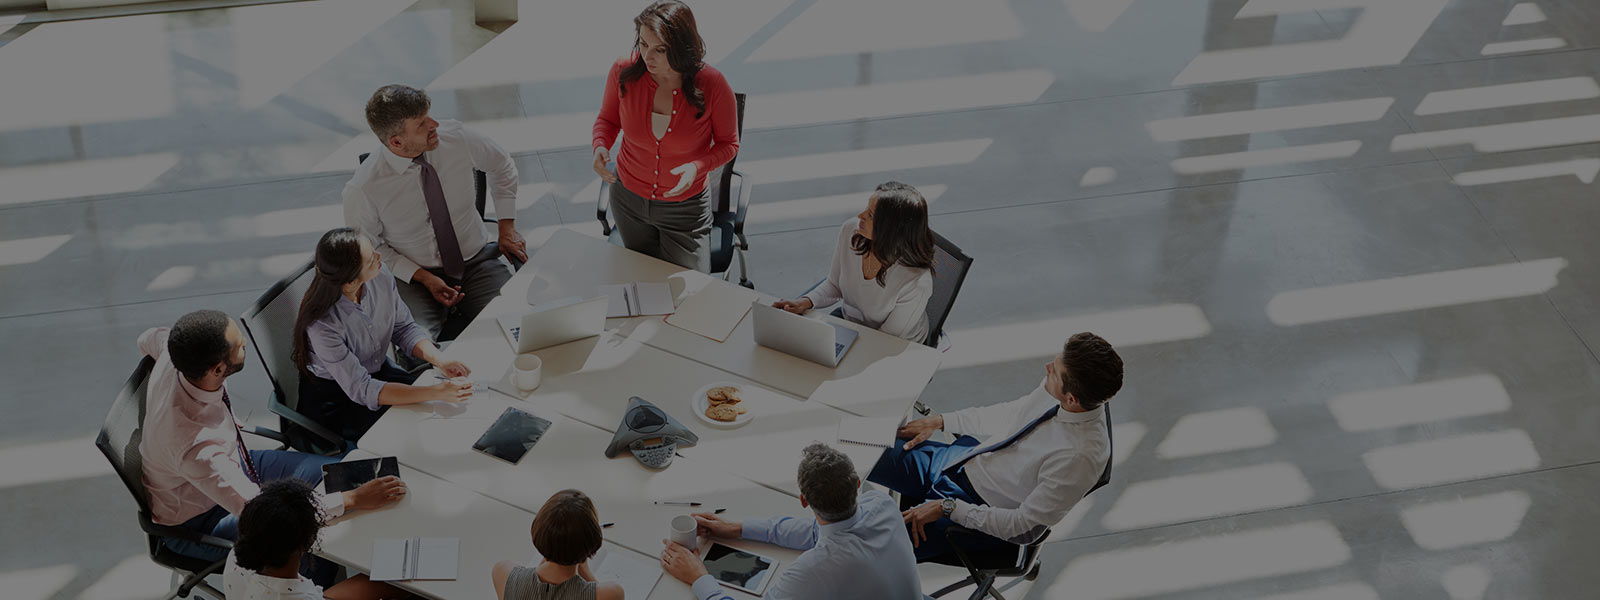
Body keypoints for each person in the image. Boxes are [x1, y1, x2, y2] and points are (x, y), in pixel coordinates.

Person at [137, 310, 406, 569]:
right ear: (217, 369)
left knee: (337, 471)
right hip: (201, 520)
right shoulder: (197, 447)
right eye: (239, 345)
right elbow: (266, 514)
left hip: (237, 461)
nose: (244, 341)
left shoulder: (177, 355)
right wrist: (354, 499)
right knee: (315, 536)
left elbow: (148, 337)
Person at [867, 332, 1122, 560]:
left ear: (1072, 399)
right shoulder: (1061, 391)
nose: (1046, 368)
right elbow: (1011, 415)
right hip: (961, 462)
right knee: (860, 447)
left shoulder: (1080, 458)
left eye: (1054, 371)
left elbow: (1024, 528)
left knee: (865, 550)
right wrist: (941, 422)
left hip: (975, 513)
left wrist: (948, 507)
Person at [344, 83, 524, 344]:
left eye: (429, 115)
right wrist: (424, 278)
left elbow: (502, 165)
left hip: (475, 260)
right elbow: (370, 248)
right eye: (421, 124)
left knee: (518, 327)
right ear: (396, 141)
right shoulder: (363, 189)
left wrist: (507, 226)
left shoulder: (457, 138)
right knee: (418, 349)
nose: (434, 125)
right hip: (413, 277)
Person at [659, 443, 921, 600]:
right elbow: (818, 531)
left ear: (803, 501)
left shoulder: (815, 568)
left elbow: (822, 535)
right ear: (858, 484)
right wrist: (737, 528)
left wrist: (698, 578)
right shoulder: (882, 504)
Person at [592, 0, 739, 271]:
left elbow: (729, 144)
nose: (648, 57)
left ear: (683, 47)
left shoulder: (713, 84)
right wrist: (601, 146)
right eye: (644, 44)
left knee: (689, 295)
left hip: (685, 211)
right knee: (644, 282)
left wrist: (698, 167)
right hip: (628, 201)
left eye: (660, 49)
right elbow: (607, 119)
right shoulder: (623, 71)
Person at [293, 228, 475, 443]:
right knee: (418, 427)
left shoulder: (381, 276)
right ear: (351, 282)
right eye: (371, 260)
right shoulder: (323, 324)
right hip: (339, 400)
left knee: (446, 412)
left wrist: (441, 360)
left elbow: (404, 328)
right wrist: (436, 391)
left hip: (377, 373)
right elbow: (363, 389)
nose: (380, 257)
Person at [772, 182, 936, 343]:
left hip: (892, 344)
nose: (860, 216)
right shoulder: (852, 231)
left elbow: (886, 341)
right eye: (867, 207)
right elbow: (834, 284)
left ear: (891, 230)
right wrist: (805, 302)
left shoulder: (915, 281)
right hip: (852, 325)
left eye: (870, 215)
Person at [225, 479, 409, 600]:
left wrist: (354, 498)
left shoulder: (239, 555)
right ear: (309, 540)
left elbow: (284, 516)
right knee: (403, 581)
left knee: (389, 578)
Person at [492, 490, 624, 600]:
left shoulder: (503, 573)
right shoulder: (611, 593)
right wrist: (586, 571)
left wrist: (551, 551)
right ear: (591, 544)